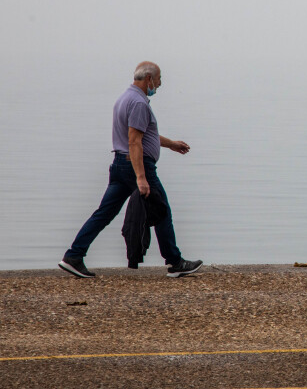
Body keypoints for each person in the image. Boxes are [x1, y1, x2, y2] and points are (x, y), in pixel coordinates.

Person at [59, 61, 202, 279]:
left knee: (104, 213)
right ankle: (176, 262)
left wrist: (171, 143)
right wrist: (141, 177)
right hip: (136, 165)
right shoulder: (139, 104)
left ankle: (73, 256)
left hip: (119, 165)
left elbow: (142, 135)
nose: (161, 84)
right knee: (161, 210)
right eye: (159, 79)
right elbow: (135, 141)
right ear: (149, 79)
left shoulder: (125, 98)